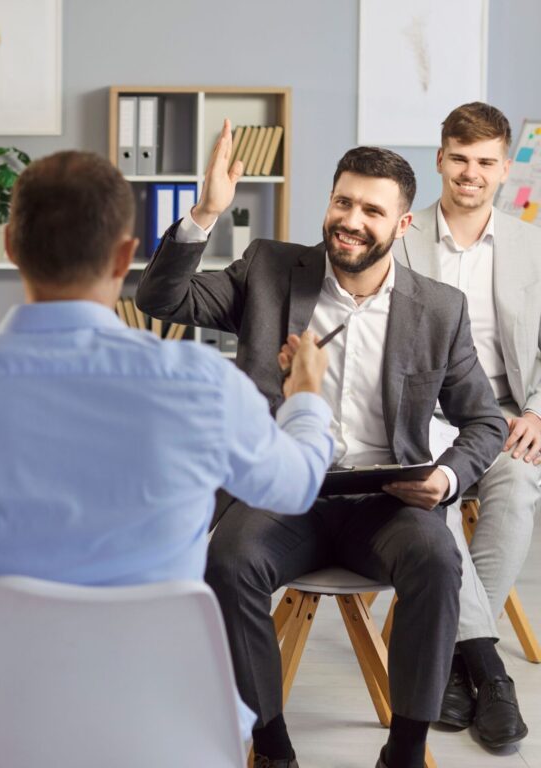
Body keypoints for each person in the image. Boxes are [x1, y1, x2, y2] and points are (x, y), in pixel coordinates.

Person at [0, 149, 336, 741]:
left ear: (10, 247)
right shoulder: (201, 383)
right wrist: (307, 396)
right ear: (122, 256)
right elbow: (295, 485)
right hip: (161, 731)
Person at [135, 122, 507, 768]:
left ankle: (406, 748)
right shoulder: (271, 269)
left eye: (371, 210)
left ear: (403, 224)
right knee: (229, 559)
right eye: (343, 202)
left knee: (439, 559)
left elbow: (484, 422)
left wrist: (444, 480)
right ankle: (272, 745)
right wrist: (205, 211)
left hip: (386, 503)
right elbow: (161, 297)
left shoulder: (439, 310)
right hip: (283, 489)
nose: (351, 221)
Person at [395, 101, 541, 748]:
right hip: (420, 415)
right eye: (460, 159)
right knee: (438, 495)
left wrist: (538, 411)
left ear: (505, 168)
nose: (471, 174)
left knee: (520, 486)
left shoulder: (530, 244)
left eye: (486, 163)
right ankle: (487, 665)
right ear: (440, 160)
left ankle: (454, 659)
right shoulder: (401, 236)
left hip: (504, 413)